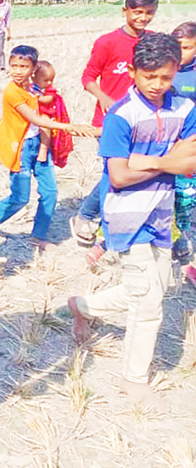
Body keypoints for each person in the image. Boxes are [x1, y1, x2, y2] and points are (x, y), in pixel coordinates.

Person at [68, 32, 196, 412]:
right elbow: (119, 176)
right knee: (150, 304)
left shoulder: (185, 110)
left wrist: (144, 160)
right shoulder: (120, 115)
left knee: (149, 289)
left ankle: (82, 305)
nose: (157, 85)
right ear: (134, 71)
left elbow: (189, 162)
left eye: (165, 77)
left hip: (164, 215)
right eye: (149, 76)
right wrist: (164, 162)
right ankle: (134, 379)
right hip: (126, 216)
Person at [0, 46, 93, 252]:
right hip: (20, 149)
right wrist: (69, 127)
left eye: (24, 66)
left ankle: (38, 236)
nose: (18, 71)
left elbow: (48, 109)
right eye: (14, 66)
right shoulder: (12, 92)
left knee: (50, 192)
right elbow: (35, 119)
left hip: (40, 146)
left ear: (33, 69)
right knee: (20, 197)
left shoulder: (33, 89)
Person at [71, 0, 159, 247]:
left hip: (143, 120)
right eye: (138, 12)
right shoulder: (108, 42)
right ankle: (86, 215)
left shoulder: (152, 41)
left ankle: (120, 222)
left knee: (134, 170)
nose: (143, 18)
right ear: (125, 11)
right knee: (113, 173)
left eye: (149, 12)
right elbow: (88, 77)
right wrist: (104, 98)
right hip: (110, 121)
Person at [168, 22, 196, 278]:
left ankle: (184, 250)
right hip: (166, 148)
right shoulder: (165, 72)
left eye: (186, 47)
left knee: (187, 202)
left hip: (191, 150)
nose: (181, 52)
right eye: (177, 47)